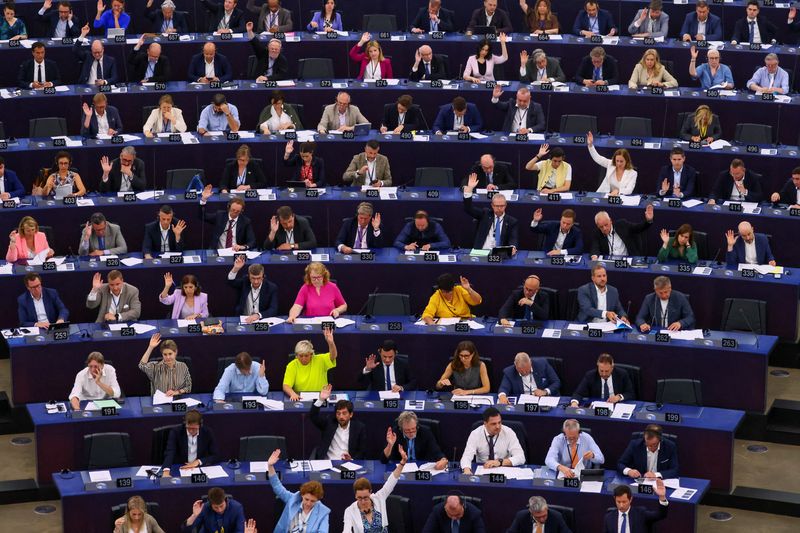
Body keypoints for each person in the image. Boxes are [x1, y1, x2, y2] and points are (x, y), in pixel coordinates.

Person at [343, 446, 407, 532]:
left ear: (370, 492)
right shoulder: (350, 511)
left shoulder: (379, 498)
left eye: (365, 498)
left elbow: (392, 480)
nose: (362, 501)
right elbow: (346, 530)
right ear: (355, 495)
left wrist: (402, 463)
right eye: (359, 498)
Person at [267, 449, 331, 531]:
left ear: (318, 499)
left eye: (312, 501)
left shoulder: (323, 512)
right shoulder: (293, 499)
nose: (308, 503)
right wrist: (270, 466)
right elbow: (277, 487)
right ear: (302, 495)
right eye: (306, 499)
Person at [463, 173, 519, 252]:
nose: (499, 208)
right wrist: (469, 190)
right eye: (496, 206)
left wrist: (513, 247)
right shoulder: (485, 214)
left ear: (506, 205)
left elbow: (513, 239)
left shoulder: (512, 221)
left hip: (499, 254)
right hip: (481, 252)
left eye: (502, 206)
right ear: (492, 205)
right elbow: (468, 208)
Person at [309, 383, 366, 460]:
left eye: (344, 413)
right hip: (328, 463)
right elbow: (313, 416)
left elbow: (362, 452)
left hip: (348, 464)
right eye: (338, 413)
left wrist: (352, 460)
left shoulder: (359, 428)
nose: (341, 416)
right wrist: (321, 399)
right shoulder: (329, 423)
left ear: (351, 414)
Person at [460, 407, 525, 474]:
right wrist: (466, 470)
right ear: (485, 424)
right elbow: (467, 456)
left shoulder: (508, 432)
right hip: (483, 470)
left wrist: (500, 462)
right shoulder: (475, 434)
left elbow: (521, 457)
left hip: (503, 470)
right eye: (493, 424)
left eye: (499, 422)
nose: (498, 426)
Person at [282, 329, 338, 401]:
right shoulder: (292, 365)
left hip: (321, 396)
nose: (303, 359)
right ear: (296, 355)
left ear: (311, 354)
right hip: (301, 398)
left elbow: (333, 356)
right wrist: (292, 393)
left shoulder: (320, 359)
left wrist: (331, 343)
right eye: (300, 356)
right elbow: (286, 385)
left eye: (306, 356)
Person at [200, 186, 257, 250]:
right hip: (218, 251)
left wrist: (242, 247)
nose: (234, 213)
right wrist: (203, 200)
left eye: (238, 211)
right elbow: (202, 216)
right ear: (228, 207)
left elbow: (252, 241)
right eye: (233, 210)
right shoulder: (220, 216)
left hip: (235, 252)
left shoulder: (245, 221)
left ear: (241, 211)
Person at [163, 410, 218, 475]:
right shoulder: (176, 432)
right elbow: (170, 452)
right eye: (188, 428)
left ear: (200, 425)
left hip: (198, 468)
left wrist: (198, 461)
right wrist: (166, 471)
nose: (191, 431)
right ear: (185, 424)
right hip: (181, 466)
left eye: (194, 428)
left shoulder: (207, 432)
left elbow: (216, 455)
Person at [589, 205, 654, 259]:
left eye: (606, 225)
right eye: (601, 227)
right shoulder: (597, 233)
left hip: (627, 260)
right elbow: (595, 247)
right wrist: (594, 256)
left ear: (610, 221)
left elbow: (638, 228)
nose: (604, 228)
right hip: (610, 263)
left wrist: (648, 221)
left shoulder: (622, 225)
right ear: (597, 226)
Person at [603, 481, 668, 533]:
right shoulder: (609, 518)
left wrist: (662, 497)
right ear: (614, 499)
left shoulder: (641, 514)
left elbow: (661, 515)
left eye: (624, 502)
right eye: (618, 502)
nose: (621, 505)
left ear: (630, 499)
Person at [570, 353, 636, 404]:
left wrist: (618, 397)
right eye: (601, 371)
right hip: (598, 407)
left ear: (612, 368)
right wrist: (574, 403)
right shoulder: (590, 375)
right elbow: (578, 393)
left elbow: (630, 393)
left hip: (617, 405)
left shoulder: (622, 374)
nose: (604, 374)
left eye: (607, 371)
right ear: (598, 367)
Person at [228, 257, 279, 321]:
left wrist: (258, 315)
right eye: (253, 278)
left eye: (258, 278)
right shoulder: (245, 282)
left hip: (261, 320)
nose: (256, 281)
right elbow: (230, 282)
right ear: (249, 276)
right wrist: (235, 269)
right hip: (244, 319)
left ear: (263, 276)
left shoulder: (271, 288)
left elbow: (273, 309)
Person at [507, 496, 572, 533]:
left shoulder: (557, 516)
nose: (542, 519)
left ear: (546, 508)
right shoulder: (521, 516)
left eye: (544, 516)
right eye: (537, 517)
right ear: (530, 511)